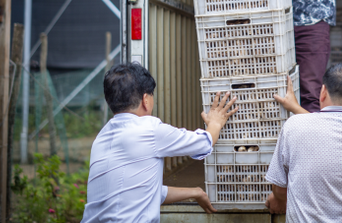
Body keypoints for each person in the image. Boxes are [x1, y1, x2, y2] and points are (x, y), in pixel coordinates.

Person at [81, 63, 238, 223]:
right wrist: (216, 122)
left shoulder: (102, 137)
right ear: (145, 100)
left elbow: (144, 191)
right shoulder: (149, 129)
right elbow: (204, 142)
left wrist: (195, 192)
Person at [264, 63, 342, 222]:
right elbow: (330, 128)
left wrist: (279, 200)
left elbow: (279, 188)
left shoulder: (294, 126)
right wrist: (296, 108)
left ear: (323, 92)